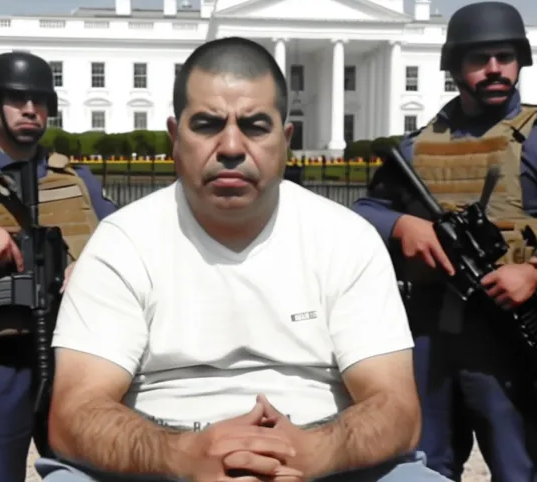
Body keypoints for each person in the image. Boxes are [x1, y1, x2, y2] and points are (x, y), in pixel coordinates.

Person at [33, 36, 449, 482]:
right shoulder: (122, 242)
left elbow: (396, 407)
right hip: (162, 461)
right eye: (207, 124)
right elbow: (74, 413)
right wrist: (183, 456)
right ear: (175, 138)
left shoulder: (346, 238)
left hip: (322, 459)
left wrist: (313, 452)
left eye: (255, 126)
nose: (231, 146)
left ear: (285, 140)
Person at [351, 1, 537, 482]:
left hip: (509, 338)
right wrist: (403, 226)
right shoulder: (417, 147)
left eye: (505, 57)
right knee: (424, 466)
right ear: (455, 68)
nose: (495, 69)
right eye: (480, 59)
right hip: (429, 334)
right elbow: (364, 211)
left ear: (520, 62)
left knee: (518, 467)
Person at [0, 51, 117, 482]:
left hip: (71, 359)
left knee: (87, 470)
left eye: (40, 100)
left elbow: (124, 239)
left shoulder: (77, 181)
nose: (31, 109)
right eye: (17, 99)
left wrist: (93, 263)